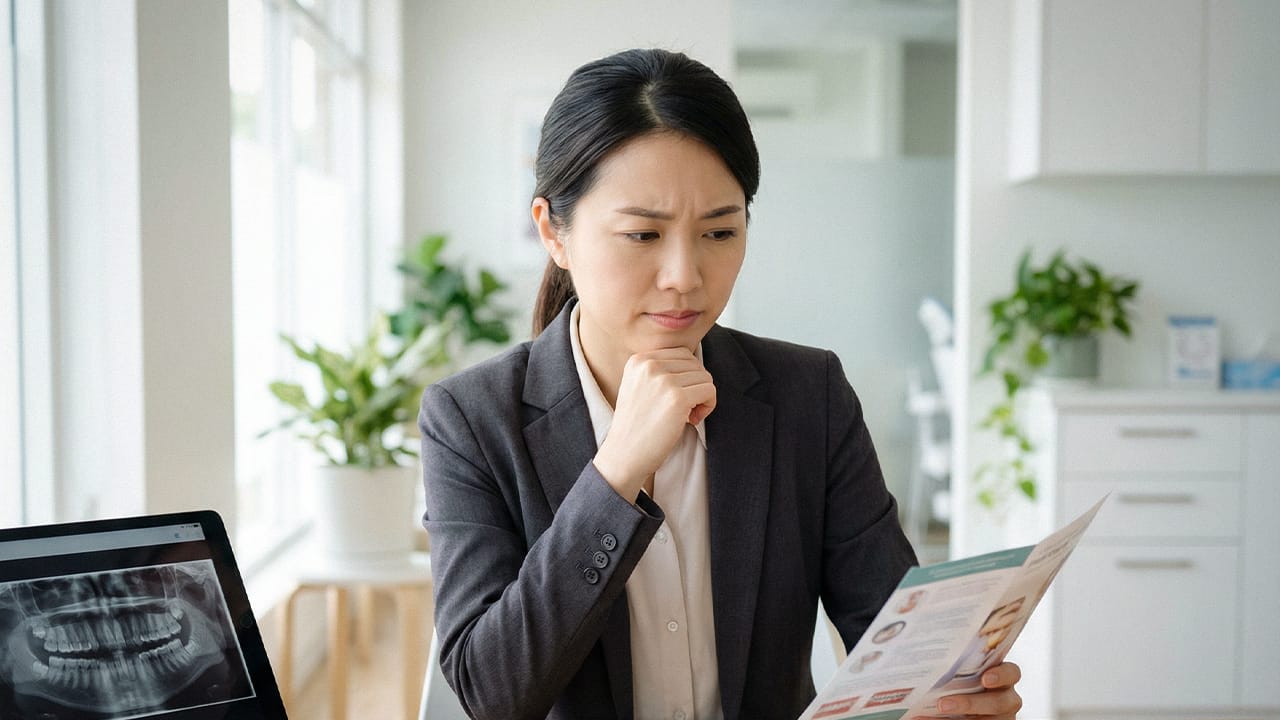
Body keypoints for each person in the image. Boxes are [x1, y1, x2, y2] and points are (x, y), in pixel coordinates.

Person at [419, 48, 1022, 720]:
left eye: (720, 231)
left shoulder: (809, 395)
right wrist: (617, 471)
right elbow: (492, 693)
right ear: (552, 232)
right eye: (642, 234)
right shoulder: (471, 419)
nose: (685, 275)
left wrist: (940, 690)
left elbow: (890, 635)